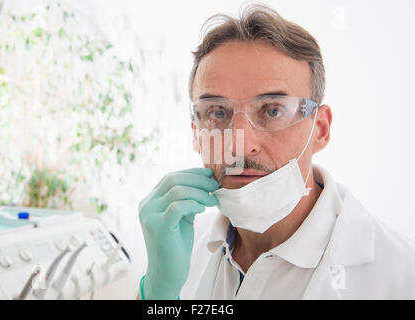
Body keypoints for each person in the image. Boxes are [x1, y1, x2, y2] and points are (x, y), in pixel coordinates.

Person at [137, 3, 415, 299]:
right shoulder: (180, 251)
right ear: (196, 133)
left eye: (272, 111)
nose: (239, 145)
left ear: (319, 129)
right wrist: (158, 294)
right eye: (217, 112)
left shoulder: (401, 276)